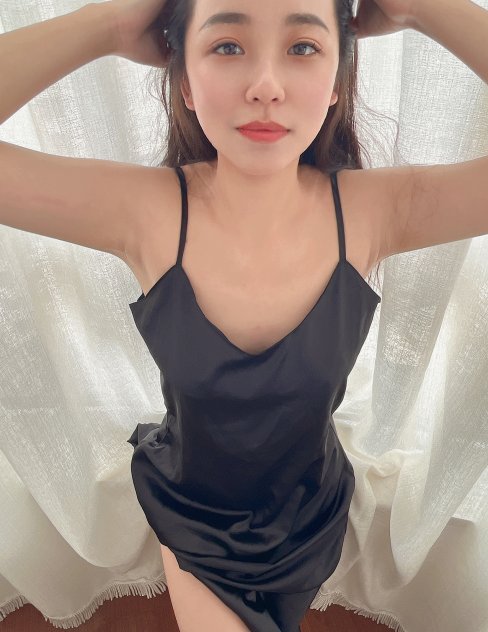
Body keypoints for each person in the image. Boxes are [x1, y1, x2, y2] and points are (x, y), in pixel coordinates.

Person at [0, 0, 487, 630]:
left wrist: (424, 9)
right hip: (193, 518)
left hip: (311, 517)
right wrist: (110, 26)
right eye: (228, 46)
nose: (265, 86)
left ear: (338, 81)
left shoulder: (374, 212)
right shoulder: (148, 213)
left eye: (303, 47)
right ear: (185, 82)